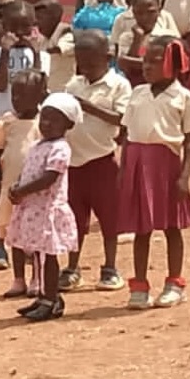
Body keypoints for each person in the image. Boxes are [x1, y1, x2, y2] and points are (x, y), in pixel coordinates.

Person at [118, 37, 190, 309]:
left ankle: (175, 283)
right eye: (145, 59)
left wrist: (184, 176)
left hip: (168, 166)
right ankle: (139, 286)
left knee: (172, 227)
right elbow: (127, 136)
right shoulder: (137, 93)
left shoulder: (183, 98)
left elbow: (189, 140)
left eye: (154, 61)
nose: (146, 66)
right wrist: (124, 168)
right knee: (142, 228)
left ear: (173, 66)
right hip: (138, 164)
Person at [61, 32, 131, 292]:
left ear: (108, 58)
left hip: (102, 160)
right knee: (75, 220)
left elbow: (121, 118)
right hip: (75, 163)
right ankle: (72, 267)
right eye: (81, 62)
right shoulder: (73, 85)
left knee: (109, 218)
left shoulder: (118, 86)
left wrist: (87, 107)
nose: (86, 68)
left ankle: (110, 267)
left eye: (91, 63)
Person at [6, 92, 81, 322]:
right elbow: (29, 170)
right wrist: (17, 186)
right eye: (44, 118)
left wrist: (23, 190)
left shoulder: (60, 148)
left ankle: (51, 299)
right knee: (38, 254)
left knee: (48, 256)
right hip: (33, 209)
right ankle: (43, 296)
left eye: (54, 120)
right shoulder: (38, 145)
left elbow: (49, 178)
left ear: (67, 124)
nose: (46, 124)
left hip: (48, 210)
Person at [0, 69, 43, 298]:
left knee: (37, 237)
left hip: (36, 191)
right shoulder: (7, 122)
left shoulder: (43, 123)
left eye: (24, 95)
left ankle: (37, 277)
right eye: (15, 95)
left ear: (39, 96)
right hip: (10, 189)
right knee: (14, 234)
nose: (17, 100)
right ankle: (18, 278)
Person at [111, 0, 180, 87]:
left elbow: (173, 65)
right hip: (134, 88)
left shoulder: (169, 36)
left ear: (159, 11)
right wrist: (137, 40)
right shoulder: (126, 37)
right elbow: (125, 67)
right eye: (139, 13)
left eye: (151, 12)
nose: (145, 17)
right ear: (133, 13)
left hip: (164, 88)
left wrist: (132, 61)